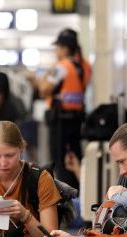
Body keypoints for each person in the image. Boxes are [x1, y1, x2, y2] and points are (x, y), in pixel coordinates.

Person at [39, 28, 91, 190]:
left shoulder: (61, 66)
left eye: (57, 47)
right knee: (75, 157)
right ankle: (79, 192)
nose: (56, 51)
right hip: (77, 119)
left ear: (65, 48)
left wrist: (47, 72)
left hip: (60, 121)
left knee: (60, 162)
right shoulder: (85, 66)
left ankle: (63, 195)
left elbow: (44, 90)